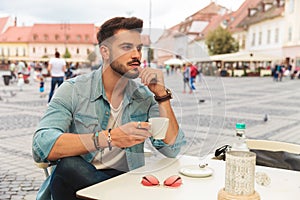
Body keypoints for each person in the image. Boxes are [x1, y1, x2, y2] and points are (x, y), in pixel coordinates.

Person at [32, 16, 186, 200]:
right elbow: (41, 146)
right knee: (71, 166)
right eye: (127, 47)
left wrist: (162, 96)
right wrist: (110, 137)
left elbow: (172, 149)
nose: (136, 55)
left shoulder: (143, 97)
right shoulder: (73, 90)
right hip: (78, 184)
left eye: (139, 48)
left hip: (123, 181)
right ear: (105, 52)